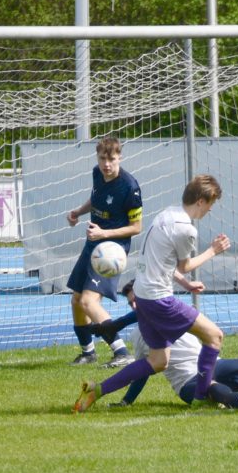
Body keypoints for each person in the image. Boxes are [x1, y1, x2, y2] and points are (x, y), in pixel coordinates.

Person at [73, 174, 231, 413]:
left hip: (143, 296)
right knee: (214, 336)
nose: (209, 210)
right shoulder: (186, 229)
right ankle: (201, 396)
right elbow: (184, 266)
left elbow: (162, 262)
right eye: (211, 204)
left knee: (158, 361)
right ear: (201, 200)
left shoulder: (167, 214)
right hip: (160, 299)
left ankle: (97, 390)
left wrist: (186, 286)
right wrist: (213, 250)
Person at [95, 281, 238, 410]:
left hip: (214, 365)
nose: (135, 305)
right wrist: (127, 401)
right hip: (188, 382)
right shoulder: (139, 334)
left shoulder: (175, 313)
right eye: (131, 302)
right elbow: (142, 371)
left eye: (137, 300)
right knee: (214, 389)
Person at [65, 137, 142, 368]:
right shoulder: (97, 174)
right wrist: (79, 211)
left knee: (89, 301)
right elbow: (96, 198)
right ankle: (88, 352)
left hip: (112, 250)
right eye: (102, 159)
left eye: (111, 159)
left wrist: (103, 234)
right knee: (77, 300)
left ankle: (121, 351)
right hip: (93, 243)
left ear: (120, 158)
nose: (106, 164)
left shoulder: (130, 186)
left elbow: (136, 227)